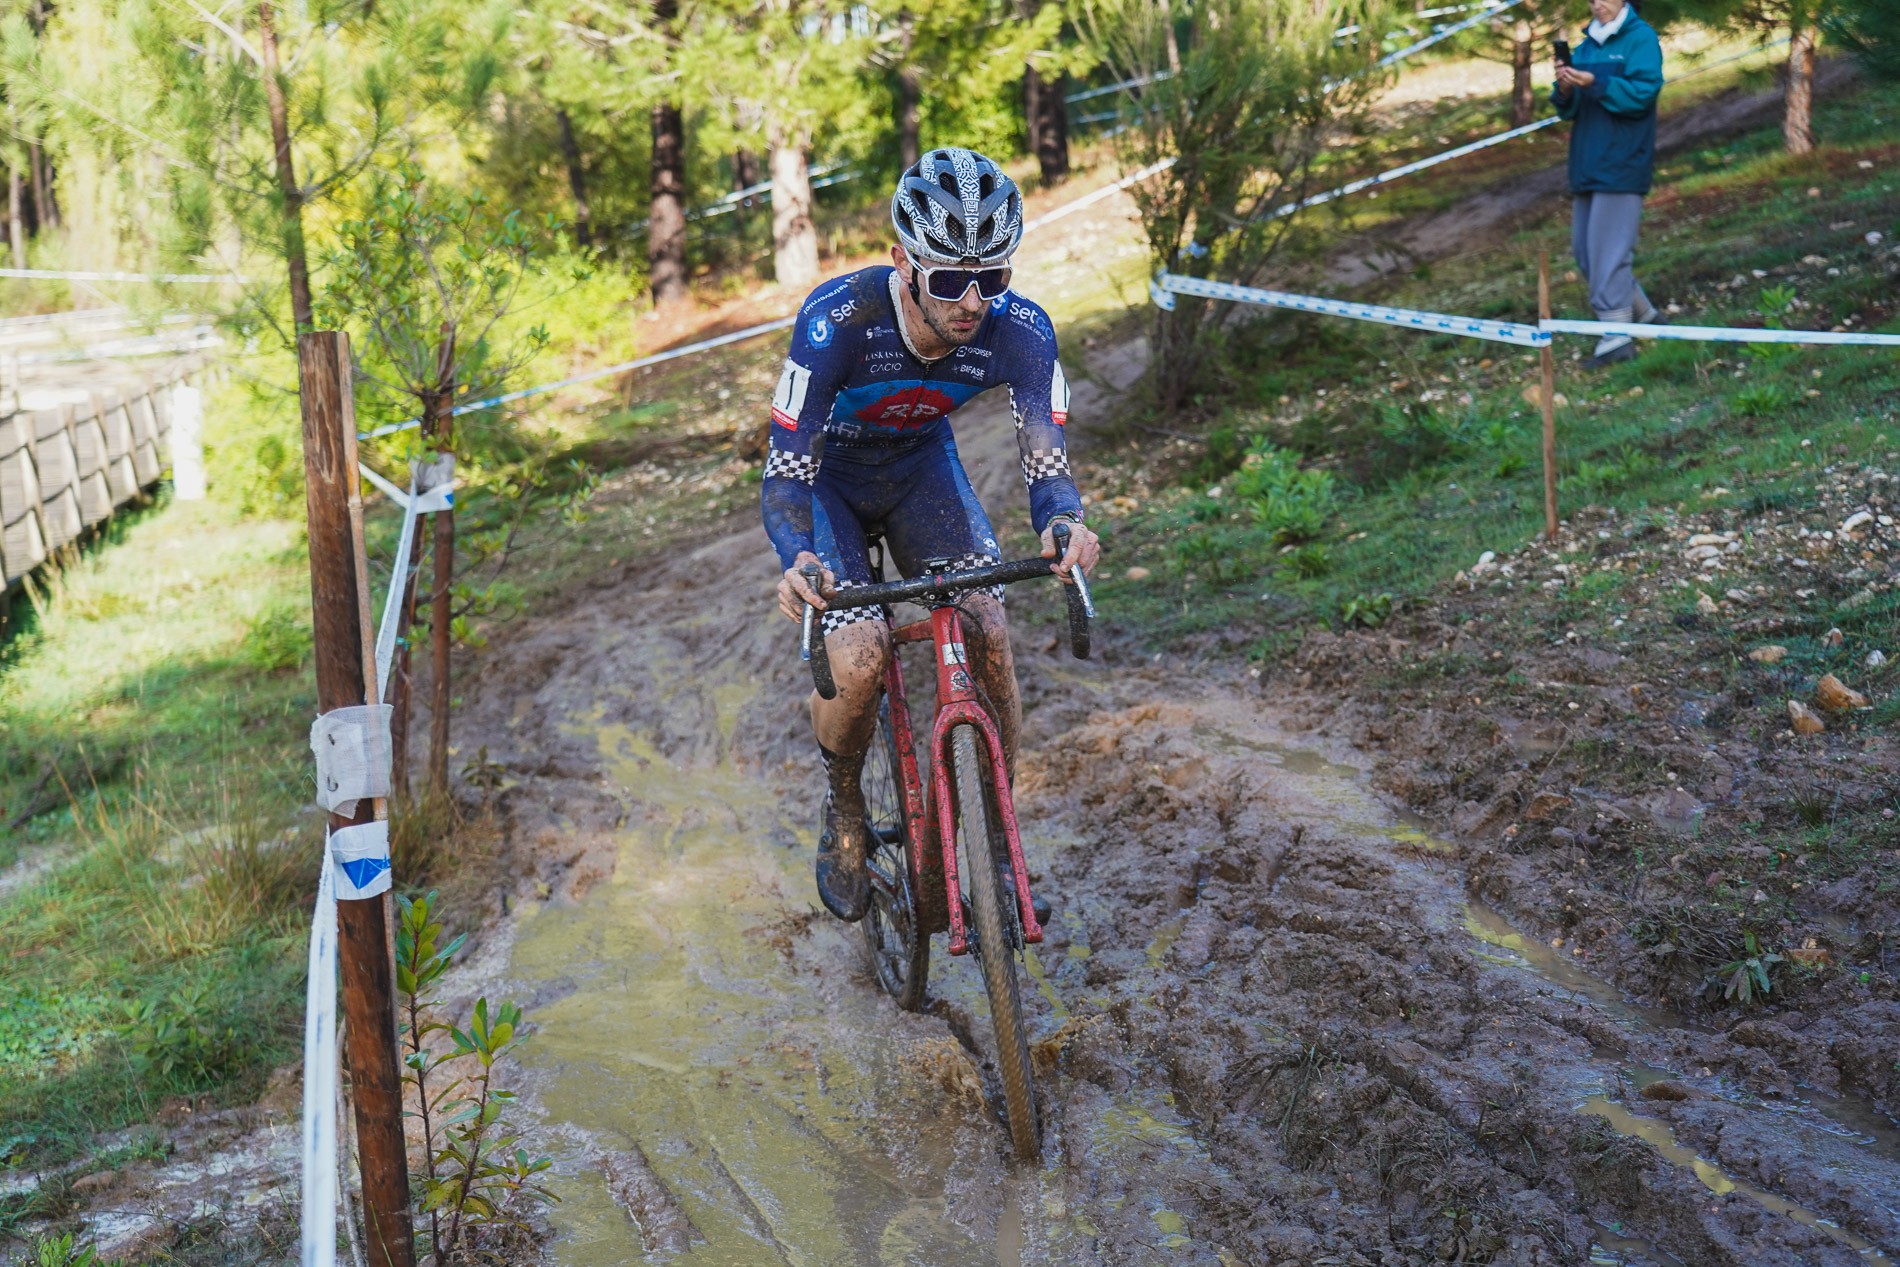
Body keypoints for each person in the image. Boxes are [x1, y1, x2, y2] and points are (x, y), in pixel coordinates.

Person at [760, 147, 1101, 923]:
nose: (973, 301)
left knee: (987, 625)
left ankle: (995, 847)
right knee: (859, 653)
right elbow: (784, 474)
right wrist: (798, 557)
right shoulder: (836, 320)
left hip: (921, 472)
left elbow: (1046, 460)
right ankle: (844, 805)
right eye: (949, 278)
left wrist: (1064, 521)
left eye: (994, 277)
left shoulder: (1022, 332)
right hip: (830, 482)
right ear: (901, 263)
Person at [1553, 0, 1664, 368]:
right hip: (1587, 162)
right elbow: (1567, 108)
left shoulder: (1640, 38)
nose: (1596, 4)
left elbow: (1643, 94)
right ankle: (1647, 318)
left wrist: (1595, 81)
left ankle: (1616, 339)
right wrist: (1567, 88)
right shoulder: (1585, 46)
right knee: (1587, 253)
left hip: (1622, 160)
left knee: (1610, 253)